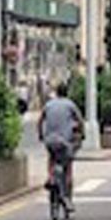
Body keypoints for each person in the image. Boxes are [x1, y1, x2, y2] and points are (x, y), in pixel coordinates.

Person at [39, 81, 84, 212]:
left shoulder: (48, 104)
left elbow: (40, 120)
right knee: (68, 166)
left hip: (50, 141)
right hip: (65, 142)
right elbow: (80, 121)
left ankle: (50, 176)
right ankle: (68, 198)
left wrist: (41, 135)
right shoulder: (70, 105)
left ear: (57, 92)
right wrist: (82, 133)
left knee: (51, 157)